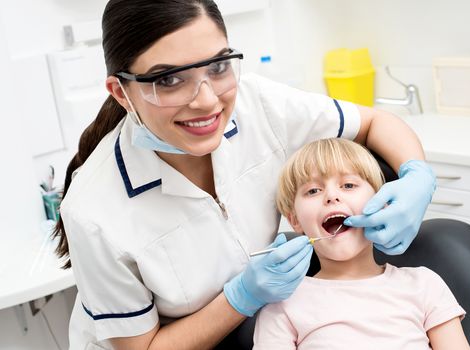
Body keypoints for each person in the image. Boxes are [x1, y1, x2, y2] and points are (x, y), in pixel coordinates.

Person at [53, 0, 436, 349]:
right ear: (121, 92)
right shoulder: (93, 212)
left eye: (218, 67)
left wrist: (416, 176)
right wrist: (242, 297)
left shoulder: (258, 104)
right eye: (168, 79)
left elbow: (375, 123)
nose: (205, 100)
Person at [253, 138, 470, 350]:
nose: (331, 196)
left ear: (383, 204)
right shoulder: (282, 305)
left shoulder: (424, 285)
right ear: (295, 220)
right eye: (313, 191)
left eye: (348, 185)